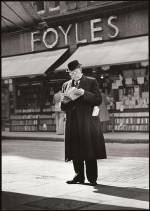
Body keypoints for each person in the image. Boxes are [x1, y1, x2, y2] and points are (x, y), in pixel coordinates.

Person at [60, 60, 107, 186]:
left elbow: (98, 100)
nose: (72, 75)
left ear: (80, 70)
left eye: (74, 72)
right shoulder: (66, 85)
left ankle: (92, 178)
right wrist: (64, 101)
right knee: (75, 150)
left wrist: (84, 93)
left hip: (87, 122)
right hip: (73, 122)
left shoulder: (91, 81)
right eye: (70, 73)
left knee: (89, 149)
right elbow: (63, 107)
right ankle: (79, 176)